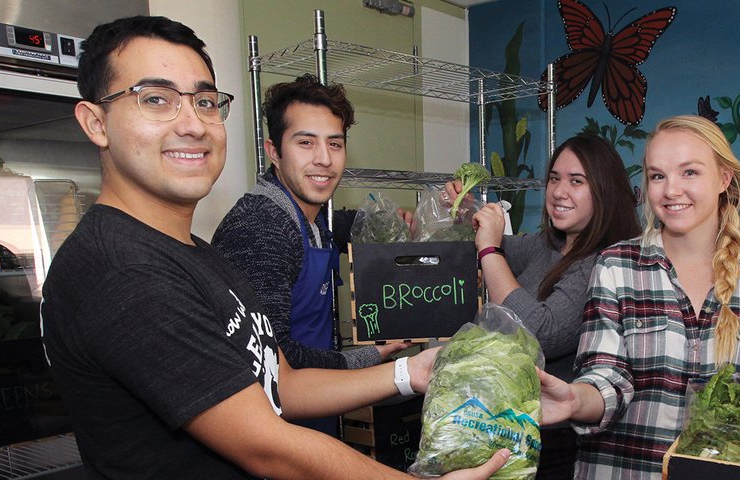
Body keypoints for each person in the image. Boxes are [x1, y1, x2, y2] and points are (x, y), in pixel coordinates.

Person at [40, 16, 506, 479]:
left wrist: (411, 372)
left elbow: (281, 382)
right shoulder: (122, 270)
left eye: (204, 101)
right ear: (96, 123)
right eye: (156, 99)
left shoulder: (196, 254)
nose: (193, 124)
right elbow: (267, 446)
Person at [538, 115, 740, 479]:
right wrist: (576, 399)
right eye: (658, 176)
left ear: (723, 178)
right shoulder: (617, 266)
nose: (671, 190)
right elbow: (606, 376)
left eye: (689, 172)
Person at [213, 74, 406, 437]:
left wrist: (435, 210)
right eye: (306, 142)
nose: (324, 160)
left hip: (316, 412)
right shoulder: (261, 227)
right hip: (274, 429)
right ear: (274, 151)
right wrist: (374, 356)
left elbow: (357, 226)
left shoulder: (312, 219)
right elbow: (275, 358)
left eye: (335, 144)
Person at [446, 134, 639, 479]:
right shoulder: (549, 245)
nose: (559, 192)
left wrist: (489, 251)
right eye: (554, 178)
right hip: (509, 428)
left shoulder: (602, 263)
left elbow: (541, 332)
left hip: (554, 440)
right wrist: (471, 216)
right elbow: (497, 244)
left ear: (604, 191)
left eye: (576, 181)